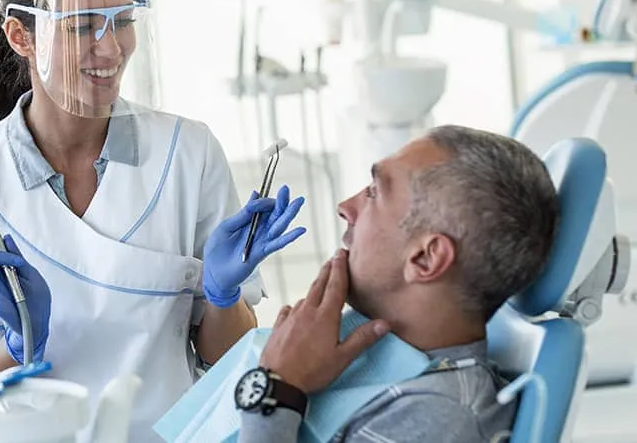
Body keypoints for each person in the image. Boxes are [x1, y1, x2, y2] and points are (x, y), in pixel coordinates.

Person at [0, 0, 306, 440]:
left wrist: (222, 295)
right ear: (21, 35)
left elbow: (226, 359)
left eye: (122, 20)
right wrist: (16, 346)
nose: (111, 48)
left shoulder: (187, 153)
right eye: (83, 26)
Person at [236, 125, 560, 442]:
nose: (345, 207)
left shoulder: (436, 420)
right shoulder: (363, 358)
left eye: (374, 192)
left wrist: (276, 391)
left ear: (425, 258)